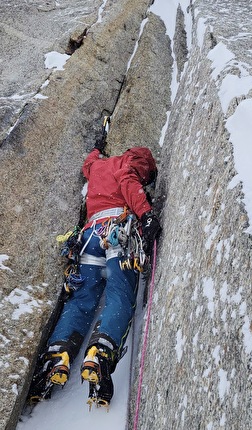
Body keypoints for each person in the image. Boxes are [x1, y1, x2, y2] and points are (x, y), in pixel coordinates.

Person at [30, 138, 161, 406]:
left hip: (90, 236)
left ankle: (59, 352)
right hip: (118, 232)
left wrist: (96, 148)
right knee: (119, 294)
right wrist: (146, 213)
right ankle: (100, 351)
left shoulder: (98, 166)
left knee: (81, 299)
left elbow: (87, 164)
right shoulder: (127, 164)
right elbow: (128, 180)